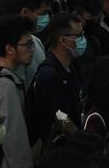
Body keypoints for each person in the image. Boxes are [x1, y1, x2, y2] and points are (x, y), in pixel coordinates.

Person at [0, 15, 35, 168]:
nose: (31, 49)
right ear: (9, 48)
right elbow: (14, 138)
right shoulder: (6, 86)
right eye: (27, 44)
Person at [27, 12, 85, 144]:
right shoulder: (49, 75)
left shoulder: (72, 66)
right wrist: (78, 136)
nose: (82, 40)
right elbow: (58, 114)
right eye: (78, 36)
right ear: (63, 40)